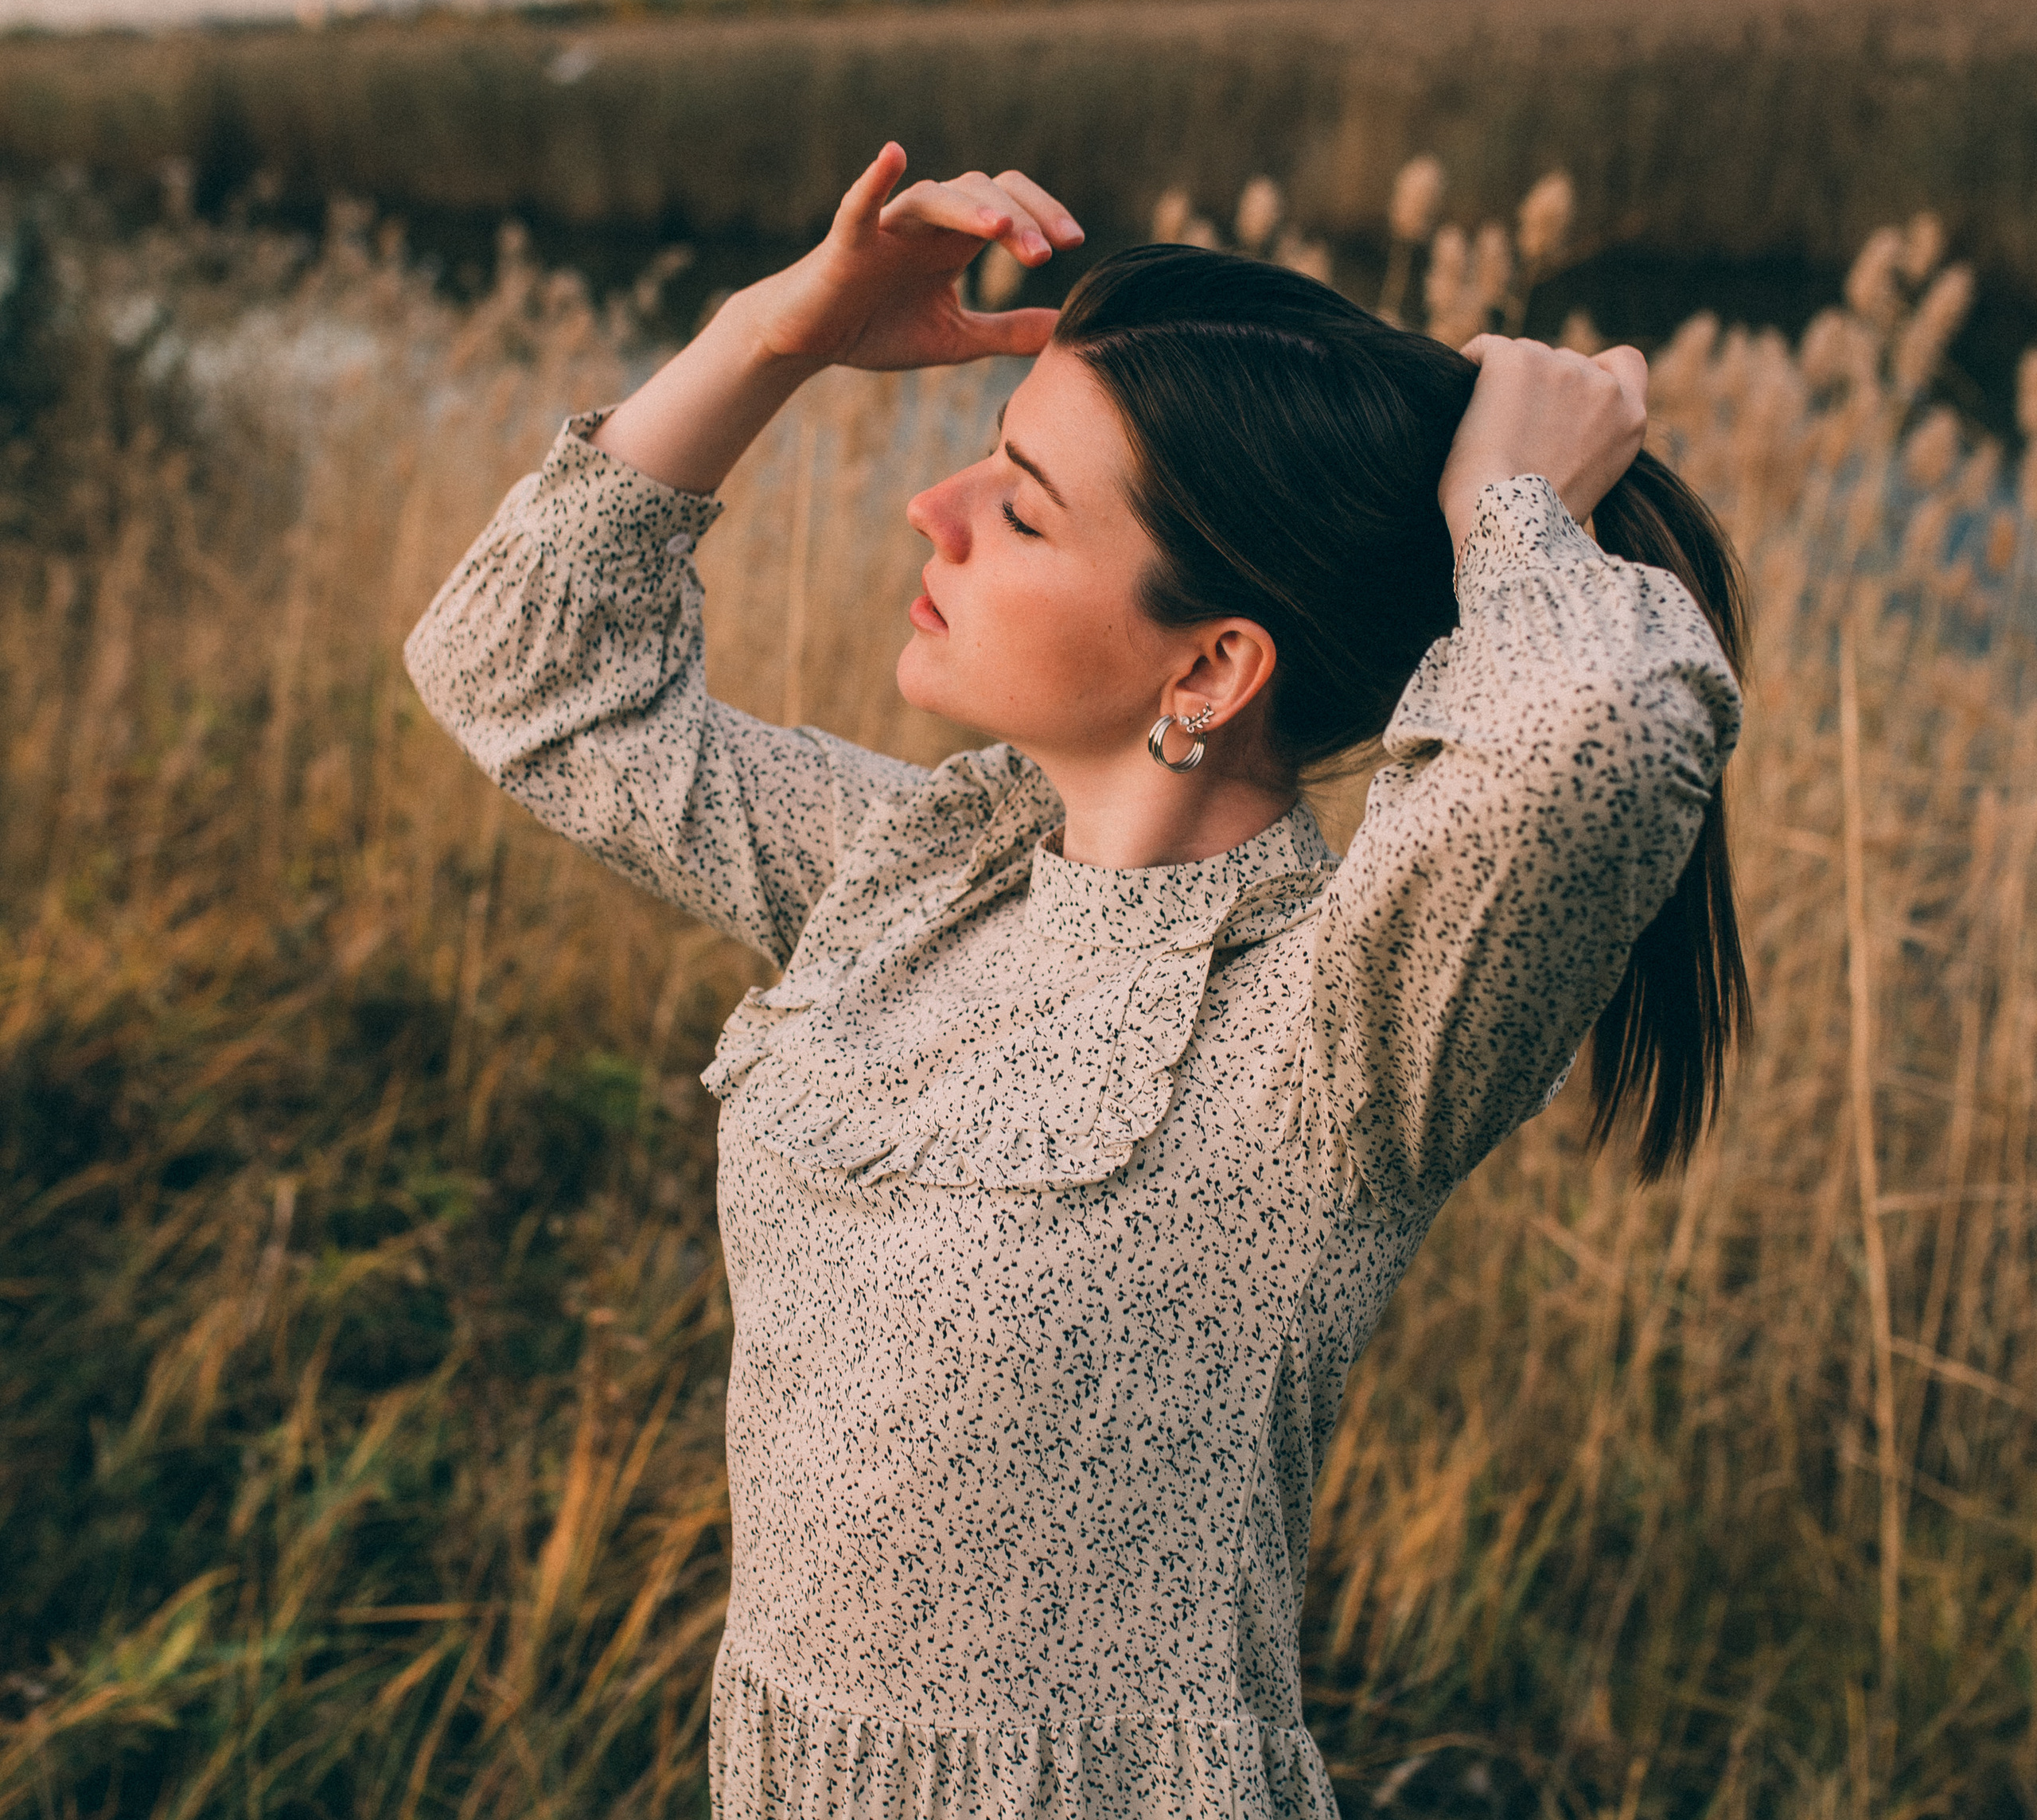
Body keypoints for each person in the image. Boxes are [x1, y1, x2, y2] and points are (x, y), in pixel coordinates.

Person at [406, 144, 1746, 1819]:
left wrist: (1511, 508)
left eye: (1021, 506)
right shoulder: (913, 873)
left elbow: (1603, 731)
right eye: (984, 463)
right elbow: (522, 671)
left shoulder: (1340, 1028)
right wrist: (779, 333)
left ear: (1208, 664)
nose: (933, 509)